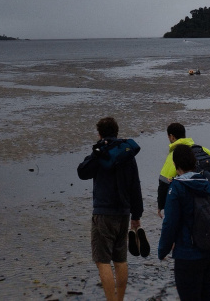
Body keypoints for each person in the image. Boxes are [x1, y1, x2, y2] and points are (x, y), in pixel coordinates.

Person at [157, 123, 210, 278]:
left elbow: (163, 186)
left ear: (171, 137)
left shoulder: (176, 182)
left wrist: (162, 250)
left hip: (187, 255)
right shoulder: (204, 151)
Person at [77, 117, 145, 301]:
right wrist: (136, 215)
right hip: (124, 213)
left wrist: (96, 152)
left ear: (99, 134)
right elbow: (135, 185)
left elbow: (82, 172)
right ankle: (119, 299)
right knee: (120, 259)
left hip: (103, 213)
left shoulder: (101, 153)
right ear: (117, 132)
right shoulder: (126, 154)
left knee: (102, 260)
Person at [157, 144, 210, 300]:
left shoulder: (177, 188)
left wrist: (162, 250)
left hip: (187, 256)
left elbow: (170, 224)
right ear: (195, 163)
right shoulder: (207, 184)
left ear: (175, 165)